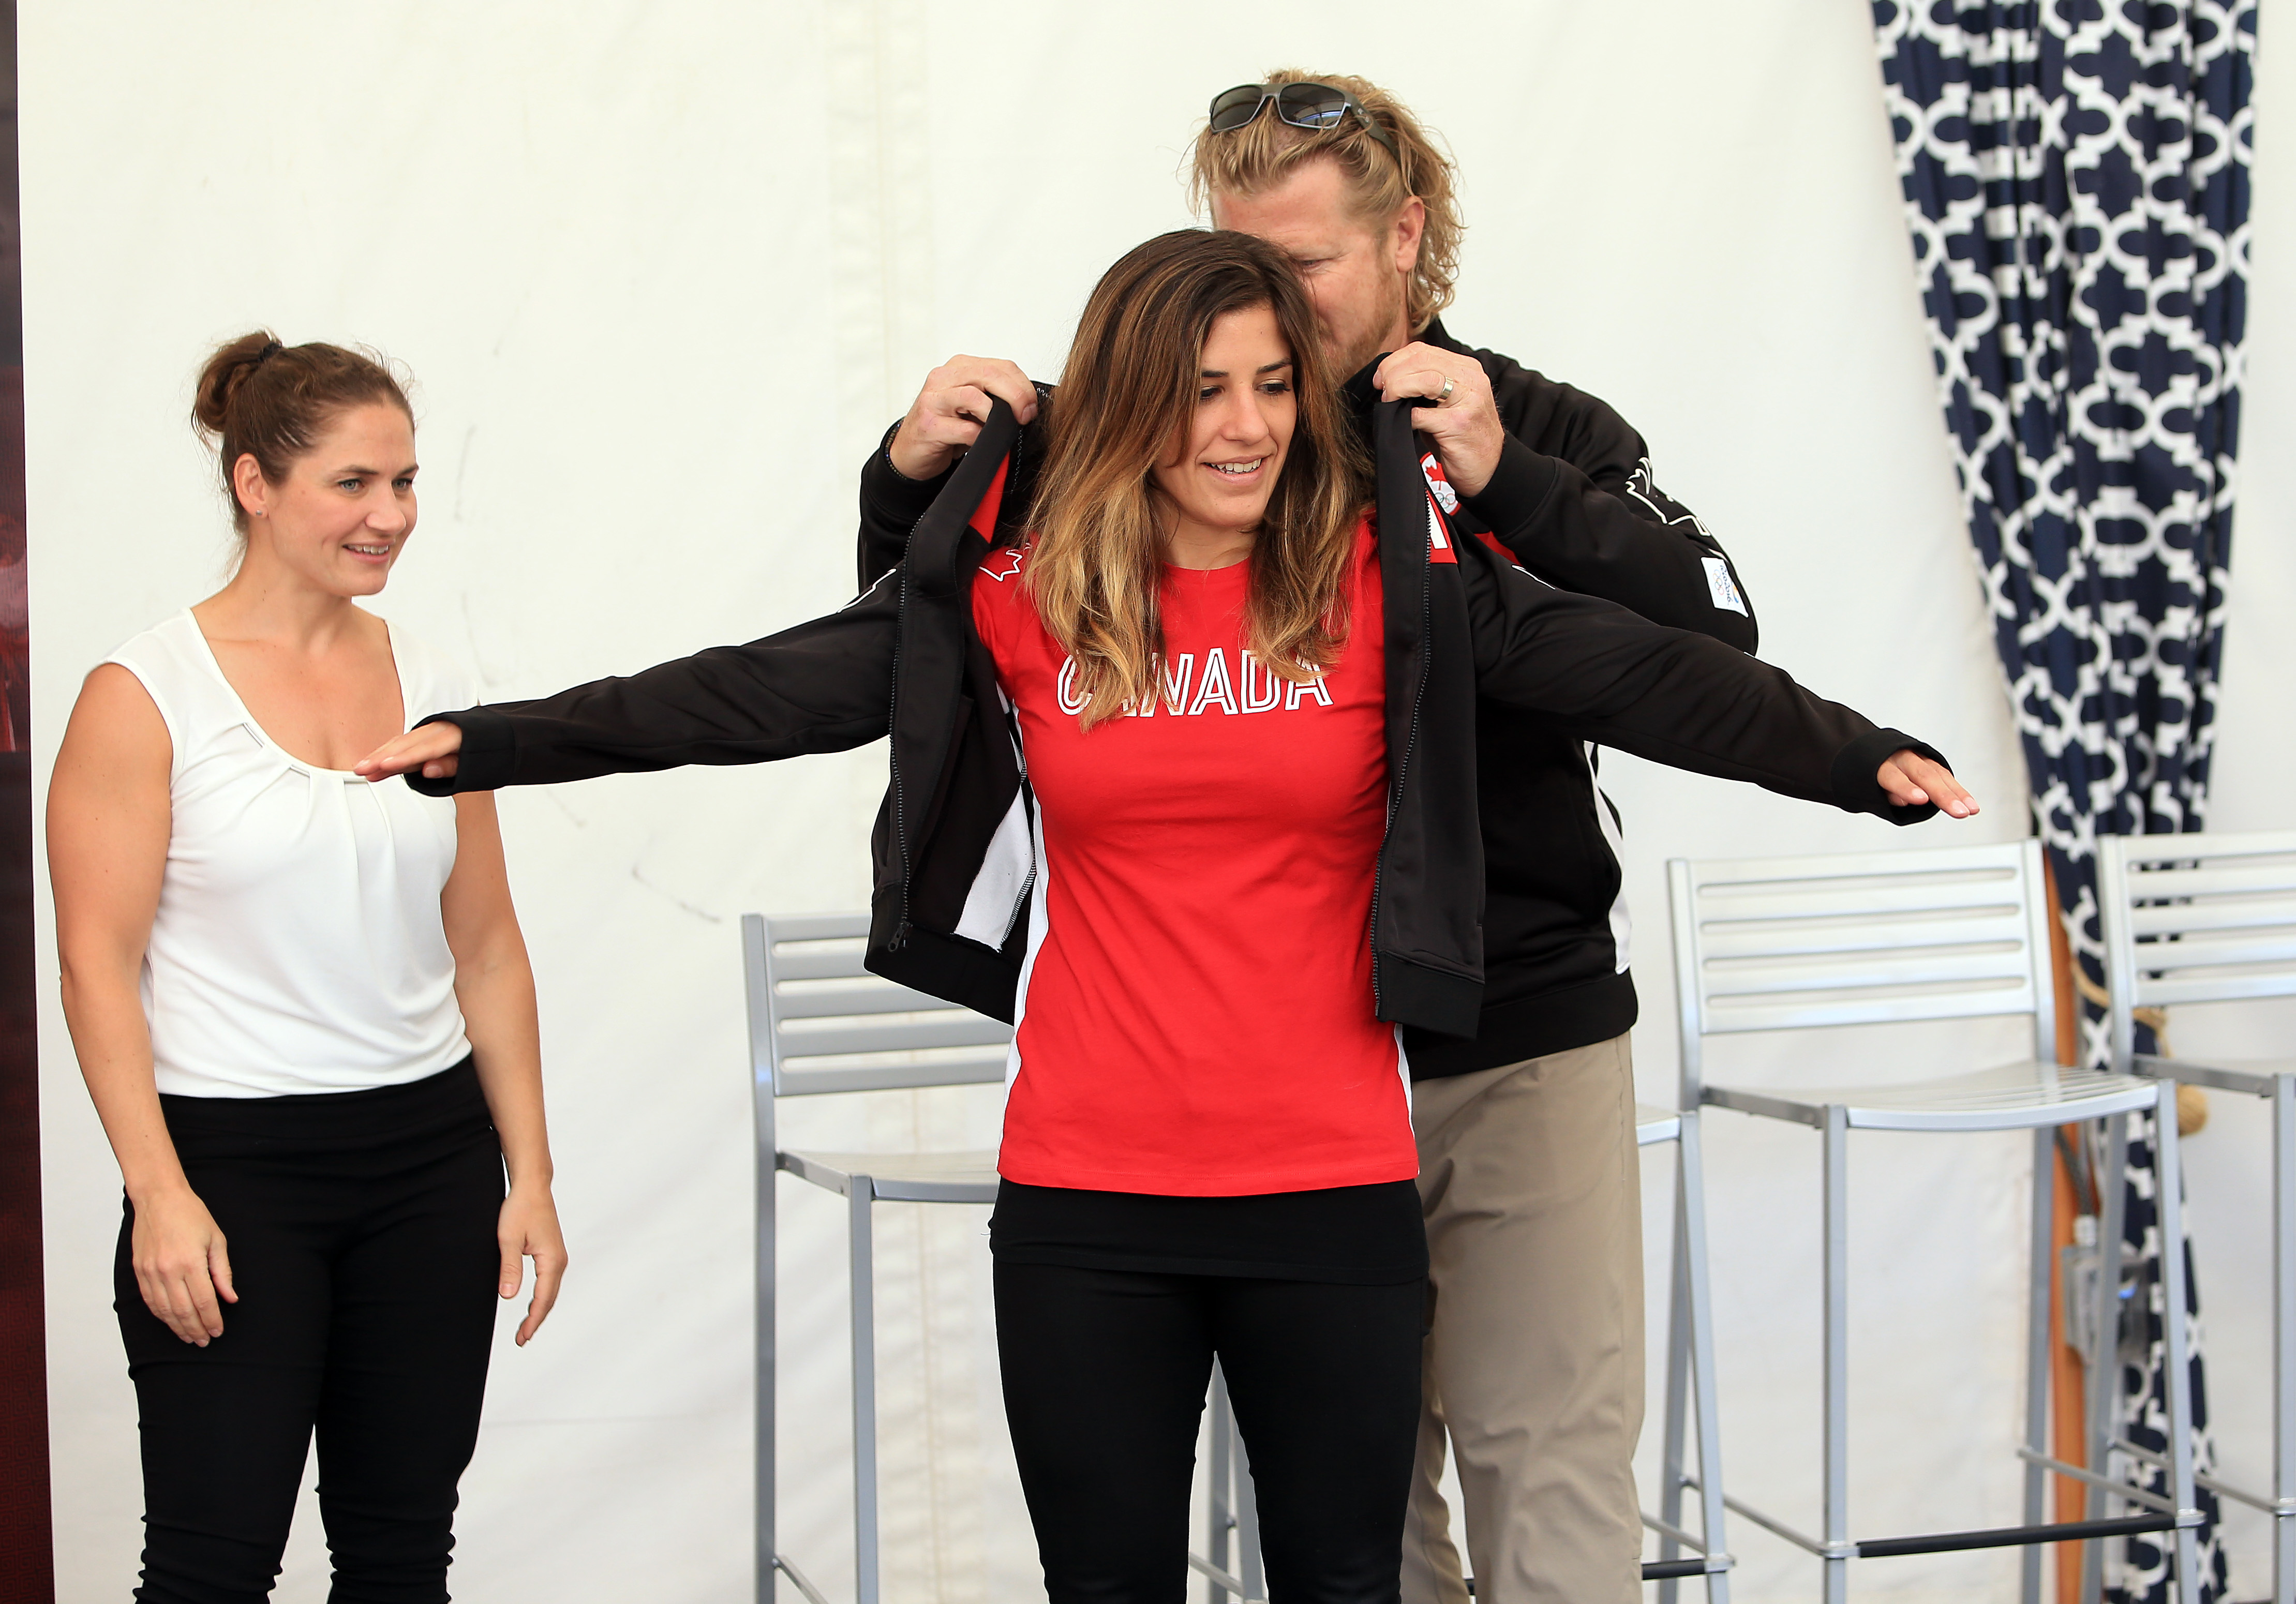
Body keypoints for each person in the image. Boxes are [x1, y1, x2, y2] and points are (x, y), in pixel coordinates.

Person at [356, 230, 1972, 1604]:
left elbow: (1643, 671)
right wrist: (498, 740)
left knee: (1346, 1582)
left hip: (1330, 1191)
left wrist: (1851, 756)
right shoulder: (1029, 591)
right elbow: (758, 687)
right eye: (1204, 389)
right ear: (1131, 401)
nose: (1246, 425)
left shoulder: (1384, 583)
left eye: (1272, 384)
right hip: (1088, 1202)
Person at [862, 72, 1762, 1604]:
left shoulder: (1527, 422)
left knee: (1546, 1470)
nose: (1265, 299)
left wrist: (1512, 481)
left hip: (1512, 1031)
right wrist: (901, 479)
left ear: (1404, 236)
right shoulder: (1165, 427)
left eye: (1302, 263)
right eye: (1237, 253)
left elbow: (1715, 630)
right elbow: (933, 636)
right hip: (1279, 1075)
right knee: (1359, 1525)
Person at [48, 334, 566, 1603]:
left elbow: (487, 948)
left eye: (404, 482)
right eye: (353, 484)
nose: (390, 515)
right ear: (254, 485)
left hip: (432, 1169)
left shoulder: (429, 680)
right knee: (210, 1570)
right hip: (233, 1175)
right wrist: (158, 1193)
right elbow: (96, 966)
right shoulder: (144, 694)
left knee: (401, 1561)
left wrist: (533, 1178)